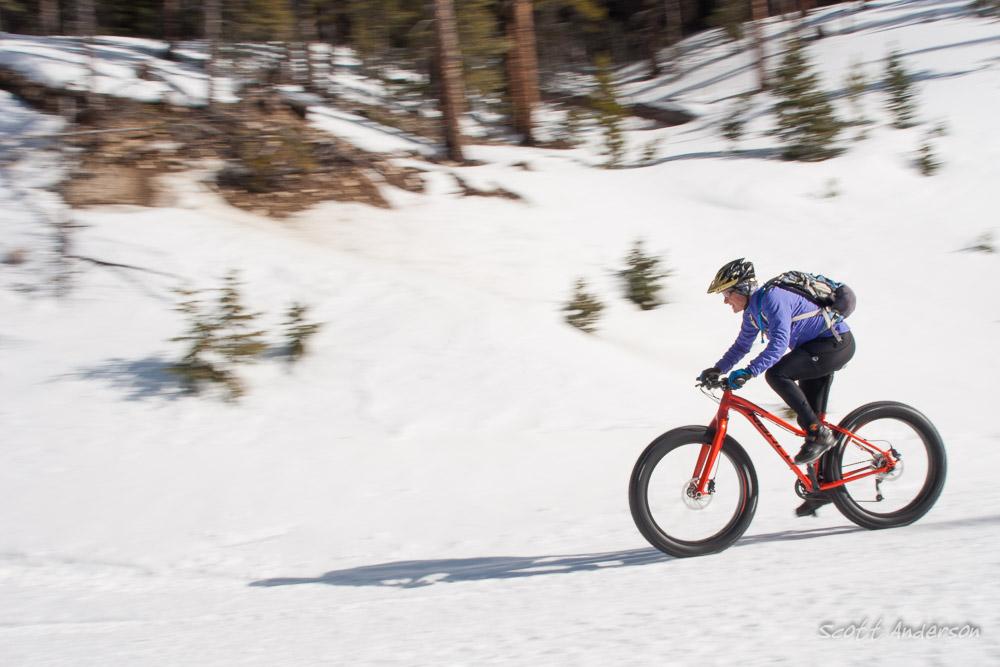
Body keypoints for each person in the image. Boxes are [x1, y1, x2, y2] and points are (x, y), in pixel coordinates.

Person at [698, 258, 856, 517]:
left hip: (834, 344)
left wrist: (749, 372)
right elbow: (741, 346)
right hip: (814, 349)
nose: (726, 300)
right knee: (810, 420)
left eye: (727, 293)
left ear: (742, 289)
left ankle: (819, 434)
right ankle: (820, 488)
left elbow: (778, 345)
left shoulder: (773, 299)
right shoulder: (752, 314)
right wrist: (718, 369)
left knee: (777, 374)